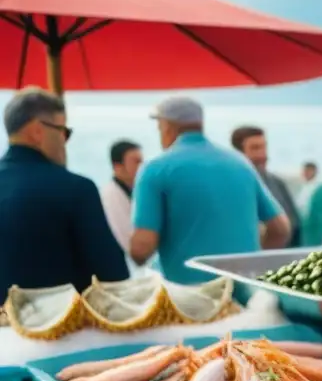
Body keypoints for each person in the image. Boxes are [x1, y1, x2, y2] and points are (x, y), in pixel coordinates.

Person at [130, 97, 290, 284]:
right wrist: (250, 262)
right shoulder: (240, 163)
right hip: (243, 292)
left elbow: (142, 248)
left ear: (167, 127)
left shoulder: (155, 169)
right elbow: (280, 230)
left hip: (189, 298)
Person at [0, 87, 127, 300]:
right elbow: (114, 277)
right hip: (62, 328)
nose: (64, 142)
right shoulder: (76, 189)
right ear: (37, 131)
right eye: (63, 132)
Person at [232, 126, 302, 246]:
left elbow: (296, 227)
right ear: (239, 153)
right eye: (255, 148)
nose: (262, 155)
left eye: (264, 147)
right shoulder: (233, 187)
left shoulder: (277, 183)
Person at [100, 140, 145, 272]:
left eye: (142, 161)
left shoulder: (133, 191)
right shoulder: (110, 196)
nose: (142, 166)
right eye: (136, 162)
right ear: (117, 166)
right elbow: (131, 247)